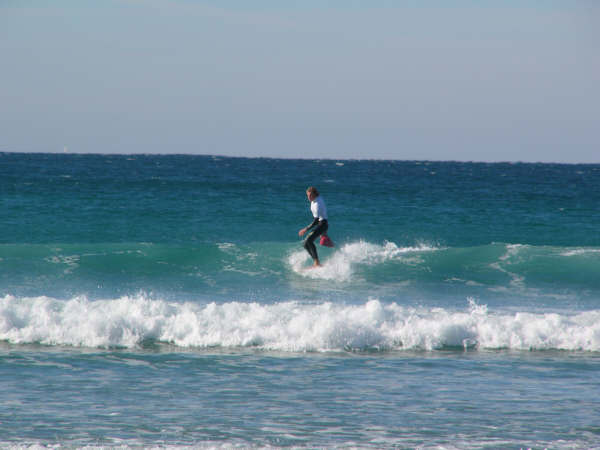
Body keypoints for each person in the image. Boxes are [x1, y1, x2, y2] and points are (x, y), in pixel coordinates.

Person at [298, 186, 329, 267]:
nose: (309, 197)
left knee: (308, 241)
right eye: (307, 195)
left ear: (315, 194)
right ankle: (317, 262)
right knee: (305, 244)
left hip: (322, 224)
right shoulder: (317, 199)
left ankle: (317, 263)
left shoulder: (316, 204)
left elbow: (316, 221)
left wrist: (305, 229)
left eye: (310, 195)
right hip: (322, 224)